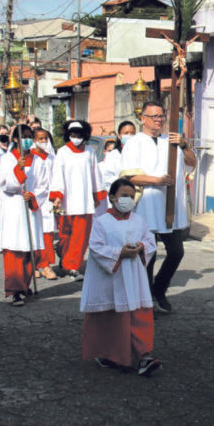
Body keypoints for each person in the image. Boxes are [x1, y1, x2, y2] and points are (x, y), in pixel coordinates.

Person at [79, 178, 161, 375]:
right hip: (111, 279)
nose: (128, 200)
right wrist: (119, 253)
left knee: (139, 315)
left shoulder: (139, 221)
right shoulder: (101, 222)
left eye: (132, 197)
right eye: (124, 196)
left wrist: (142, 248)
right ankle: (110, 354)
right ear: (112, 197)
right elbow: (96, 248)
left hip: (134, 278)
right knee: (112, 318)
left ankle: (143, 356)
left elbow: (150, 242)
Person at [121, 100, 196, 312]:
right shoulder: (134, 143)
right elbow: (129, 175)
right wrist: (157, 181)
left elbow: (192, 163)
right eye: (153, 116)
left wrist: (184, 145)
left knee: (176, 252)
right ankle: (145, 301)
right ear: (142, 118)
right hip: (146, 205)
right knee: (148, 254)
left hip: (170, 206)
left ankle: (159, 289)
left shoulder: (170, 141)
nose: (158, 120)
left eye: (161, 116)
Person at [0, 124, 50, 306]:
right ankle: (14, 290)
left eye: (30, 136)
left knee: (29, 249)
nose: (27, 139)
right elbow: (6, 185)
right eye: (23, 136)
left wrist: (33, 196)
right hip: (13, 207)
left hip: (30, 207)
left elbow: (44, 186)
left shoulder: (39, 161)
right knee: (14, 249)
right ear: (15, 139)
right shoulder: (6, 160)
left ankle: (25, 285)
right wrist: (18, 170)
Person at [50, 120, 105, 281]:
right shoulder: (62, 152)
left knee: (81, 236)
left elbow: (96, 175)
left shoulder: (90, 152)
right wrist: (57, 196)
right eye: (73, 135)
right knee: (65, 235)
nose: (76, 138)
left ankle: (73, 266)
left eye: (79, 135)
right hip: (66, 202)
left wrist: (96, 196)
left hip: (85, 201)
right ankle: (64, 259)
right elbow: (57, 175)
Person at [32, 128, 58, 280]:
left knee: (47, 233)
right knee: (34, 232)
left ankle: (46, 264)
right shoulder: (30, 158)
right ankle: (33, 264)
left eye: (45, 139)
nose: (43, 141)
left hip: (47, 200)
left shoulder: (51, 159)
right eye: (40, 139)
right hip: (34, 199)